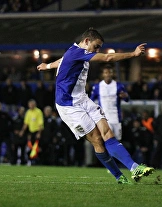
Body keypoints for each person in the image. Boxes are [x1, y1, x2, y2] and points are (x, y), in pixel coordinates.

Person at [37, 28, 154, 184]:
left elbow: (62, 60)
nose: (97, 50)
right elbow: (107, 58)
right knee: (97, 140)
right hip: (68, 106)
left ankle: (134, 168)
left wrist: (48, 66)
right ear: (86, 41)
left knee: (107, 133)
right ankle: (119, 177)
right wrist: (132, 54)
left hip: (82, 99)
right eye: (96, 46)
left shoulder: (74, 52)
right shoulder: (77, 52)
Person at [90, 64, 129, 141]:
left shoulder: (118, 86)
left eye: (110, 72)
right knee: (105, 141)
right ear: (103, 74)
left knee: (117, 141)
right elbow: (91, 101)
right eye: (106, 72)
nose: (108, 74)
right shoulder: (97, 86)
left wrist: (125, 96)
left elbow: (127, 99)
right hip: (103, 119)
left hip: (116, 118)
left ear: (112, 73)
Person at [19, 99, 44, 164]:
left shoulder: (38, 111)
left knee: (37, 147)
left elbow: (40, 123)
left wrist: (39, 133)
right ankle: (31, 161)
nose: (31, 106)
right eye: (30, 104)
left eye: (32, 104)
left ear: (35, 105)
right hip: (31, 132)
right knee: (31, 147)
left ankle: (38, 161)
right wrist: (22, 131)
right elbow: (26, 123)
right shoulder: (28, 112)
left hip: (37, 132)